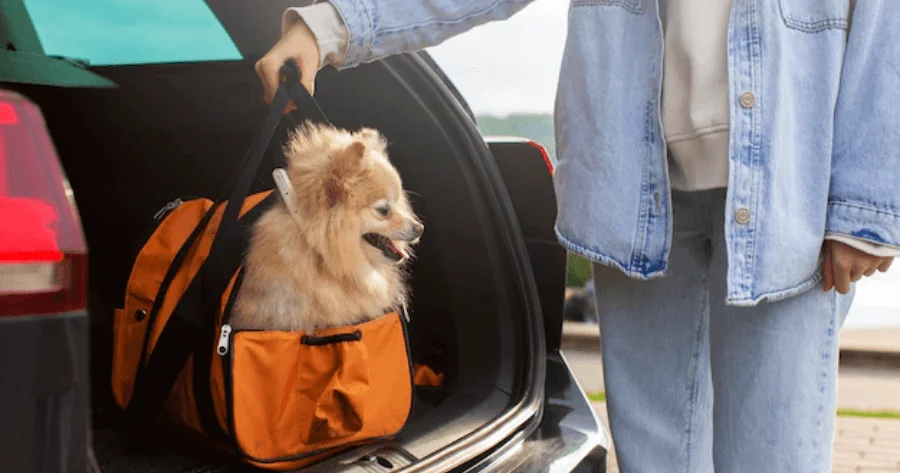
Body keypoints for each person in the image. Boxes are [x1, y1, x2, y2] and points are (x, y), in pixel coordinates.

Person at [256, 2, 899, 471]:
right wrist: (333, 25)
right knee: (656, 464)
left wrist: (866, 207)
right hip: (637, 200)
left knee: (771, 460)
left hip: (788, 198)